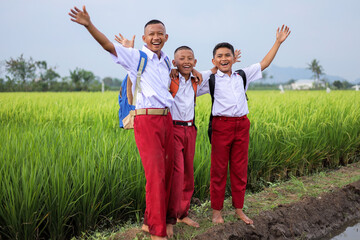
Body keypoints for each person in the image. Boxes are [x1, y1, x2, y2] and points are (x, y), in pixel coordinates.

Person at [68, 6, 187, 240]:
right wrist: (89, 25)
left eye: (160, 33)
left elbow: (177, 75)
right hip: (146, 120)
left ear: (166, 37)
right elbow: (108, 46)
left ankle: (149, 222)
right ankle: (158, 232)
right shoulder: (136, 56)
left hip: (167, 119)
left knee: (168, 173)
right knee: (155, 175)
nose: (156, 37)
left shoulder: (165, 62)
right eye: (151, 34)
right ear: (144, 38)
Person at [197, 25, 291, 225]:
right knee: (219, 170)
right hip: (221, 126)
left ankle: (239, 209)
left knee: (240, 169)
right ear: (214, 61)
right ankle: (216, 212)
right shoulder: (210, 79)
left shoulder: (242, 75)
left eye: (227, 55)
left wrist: (278, 42)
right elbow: (191, 80)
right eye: (220, 56)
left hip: (242, 125)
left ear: (234, 58)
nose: (224, 59)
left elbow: (264, 63)